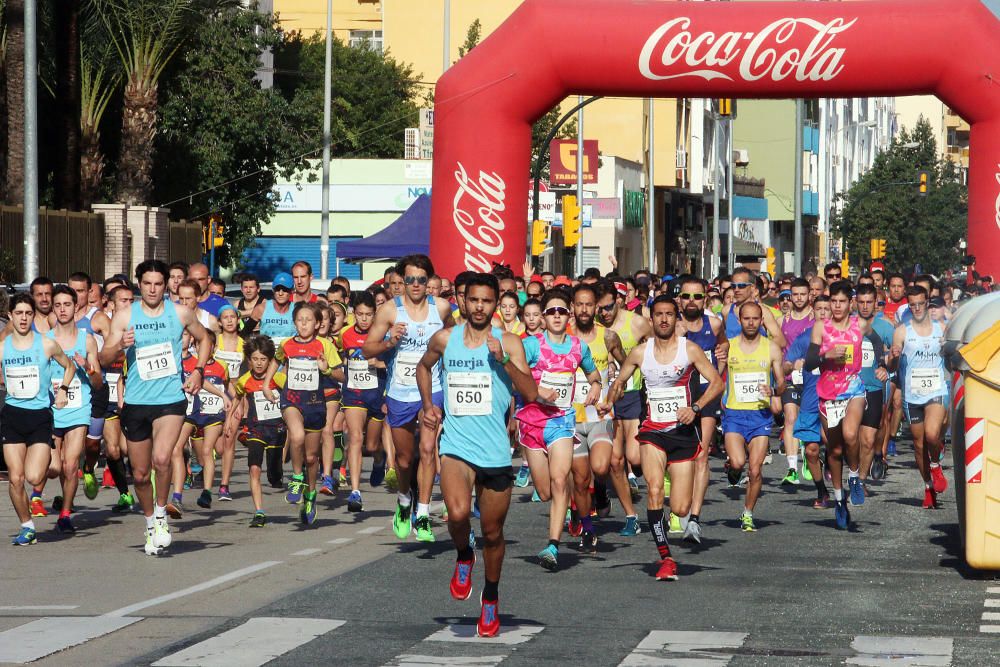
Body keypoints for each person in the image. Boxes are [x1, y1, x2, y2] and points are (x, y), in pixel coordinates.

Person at [418, 272, 539, 638]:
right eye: (474, 300)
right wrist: (428, 404)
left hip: (496, 453)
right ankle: (463, 554)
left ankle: (490, 596)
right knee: (456, 513)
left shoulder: (510, 342)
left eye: (487, 301)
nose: (480, 307)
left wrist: (503, 361)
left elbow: (531, 393)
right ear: (463, 301)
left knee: (492, 533)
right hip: (456, 446)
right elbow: (424, 367)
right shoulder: (445, 339)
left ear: (496, 304)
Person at [602, 295, 723, 580]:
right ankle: (665, 558)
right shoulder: (640, 352)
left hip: (682, 433)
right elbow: (620, 382)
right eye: (659, 314)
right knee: (654, 490)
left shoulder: (689, 350)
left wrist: (695, 408)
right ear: (651, 319)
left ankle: (668, 519)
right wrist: (610, 400)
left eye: (670, 314)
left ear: (675, 318)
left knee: (679, 507)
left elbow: (717, 383)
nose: (664, 319)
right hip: (652, 431)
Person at [100, 259, 213, 556]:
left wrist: (199, 370)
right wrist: (119, 345)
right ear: (139, 285)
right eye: (147, 283)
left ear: (167, 286)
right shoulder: (125, 316)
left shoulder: (180, 312)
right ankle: (150, 522)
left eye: (158, 283)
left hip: (170, 400)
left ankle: (161, 514)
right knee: (139, 474)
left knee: (162, 460)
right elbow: (102, 358)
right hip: (137, 402)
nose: (152, 289)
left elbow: (205, 339)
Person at [363, 254, 454, 542]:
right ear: (402, 282)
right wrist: (390, 341)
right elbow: (367, 349)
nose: (415, 285)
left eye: (421, 279)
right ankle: (404, 501)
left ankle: (423, 513)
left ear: (430, 282)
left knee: (428, 450)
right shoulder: (391, 310)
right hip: (401, 390)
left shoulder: (440, 308)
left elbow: (456, 336)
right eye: (410, 280)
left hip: (432, 389)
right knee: (404, 460)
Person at [516, 289, 602, 570]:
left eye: (561, 311)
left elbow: (593, 373)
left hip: (561, 422)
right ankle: (564, 509)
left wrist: (596, 387)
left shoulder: (579, 347)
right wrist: (537, 390)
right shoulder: (530, 345)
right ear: (543, 316)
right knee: (545, 490)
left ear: (570, 315)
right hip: (531, 423)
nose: (556, 315)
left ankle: (552, 545)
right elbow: (513, 373)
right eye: (551, 311)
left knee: (560, 477)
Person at [2, 294, 76, 545]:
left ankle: (48, 457)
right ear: (10, 316)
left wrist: (63, 390)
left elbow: (70, 367)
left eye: (28, 313)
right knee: (15, 478)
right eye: (19, 313)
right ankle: (27, 526)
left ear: (34, 316)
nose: (23, 318)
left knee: (34, 477)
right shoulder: (3, 347)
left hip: (39, 417)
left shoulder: (46, 344)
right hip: (12, 416)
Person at [262, 302, 343, 525]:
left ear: (318, 323)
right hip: (292, 401)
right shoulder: (287, 345)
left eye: (309, 320)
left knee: (310, 457)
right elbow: (275, 362)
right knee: (296, 436)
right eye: (300, 320)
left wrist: (326, 369)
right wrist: (267, 384)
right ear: (294, 322)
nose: (304, 324)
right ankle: (297, 478)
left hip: (316, 404)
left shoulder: (324, 345)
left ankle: (310, 494)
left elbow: (341, 376)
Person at [568, 282, 627, 549]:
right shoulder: (563, 337)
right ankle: (588, 528)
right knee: (579, 480)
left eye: (588, 304)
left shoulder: (608, 337)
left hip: (600, 416)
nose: (583, 309)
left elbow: (626, 370)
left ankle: (601, 489)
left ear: (596, 307)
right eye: (579, 304)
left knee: (601, 467)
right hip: (571, 418)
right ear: (572, 307)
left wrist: (614, 393)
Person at [804, 280, 866, 530]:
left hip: (854, 390)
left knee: (851, 434)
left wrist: (887, 362)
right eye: (833, 301)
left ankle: (854, 477)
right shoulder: (821, 327)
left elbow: (882, 347)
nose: (837, 306)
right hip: (828, 395)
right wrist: (824, 356)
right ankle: (840, 501)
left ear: (850, 303)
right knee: (835, 451)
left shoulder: (860, 325)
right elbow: (809, 363)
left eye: (842, 301)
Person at [41, 286, 103, 533]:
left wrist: (87, 366)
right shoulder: (46, 340)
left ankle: (65, 514)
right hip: (52, 409)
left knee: (69, 465)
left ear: (76, 306)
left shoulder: (86, 339)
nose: (63, 309)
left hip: (78, 409)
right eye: (58, 305)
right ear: (53, 309)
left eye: (67, 304)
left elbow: (98, 383)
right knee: (54, 468)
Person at [722, 301, 786, 532]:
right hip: (734, 414)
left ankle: (748, 513)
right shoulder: (728, 347)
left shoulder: (771, 348)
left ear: (762, 321)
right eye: (746, 319)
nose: (750, 323)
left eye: (755, 319)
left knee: (756, 469)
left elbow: (781, 383)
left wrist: (775, 392)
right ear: (739, 321)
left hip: (760, 415)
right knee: (739, 462)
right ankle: (732, 468)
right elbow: (716, 376)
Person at [675, 275, 728, 543]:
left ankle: (694, 518)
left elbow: (724, 344)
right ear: (679, 299)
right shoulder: (670, 326)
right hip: (677, 398)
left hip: (705, 396)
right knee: (678, 457)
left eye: (697, 296)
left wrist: (723, 356)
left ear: (705, 300)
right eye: (687, 296)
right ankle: (681, 506)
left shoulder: (714, 323)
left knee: (702, 455)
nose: (692, 301)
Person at [891, 285, 949, 509]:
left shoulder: (941, 328)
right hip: (912, 393)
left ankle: (935, 465)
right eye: (912, 304)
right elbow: (893, 356)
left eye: (920, 304)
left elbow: (952, 354)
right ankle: (928, 487)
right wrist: (894, 354)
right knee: (918, 445)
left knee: (932, 435)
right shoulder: (902, 331)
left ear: (927, 304)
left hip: (935, 389)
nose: (916, 308)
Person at [596, 280, 652, 506]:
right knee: (613, 460)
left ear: (618, 301)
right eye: (599, 309)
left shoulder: (637, 323)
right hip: (602, 397)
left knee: (634, 456)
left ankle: (637, 471)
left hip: (631, 393)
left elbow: (656, 347)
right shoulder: (593, 325)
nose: (604, 313)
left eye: (608, 307)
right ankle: (620, 504)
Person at [339, 291, 388, 512]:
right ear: (354, 314)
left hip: (376, 394)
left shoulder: (382, 337)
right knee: (356, 437)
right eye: (360, 314)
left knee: (372, 444)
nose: (364, 319)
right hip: (354, 393)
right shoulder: (345, 335)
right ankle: (355, 492)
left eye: (369, 314)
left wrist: (379, 364)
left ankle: (379, 459)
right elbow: (343, 361)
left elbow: (391, 365)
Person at [233, 336, 286, 526]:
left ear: (271, 361)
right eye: (255, 359)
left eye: (263, 359)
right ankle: (259, 512)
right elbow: (237, 398)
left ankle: (277, 475)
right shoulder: (244, 380)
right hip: (256, 430)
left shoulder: (279, 379)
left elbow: (293, 398)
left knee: (274, 475)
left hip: (278, 430)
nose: (259, 363)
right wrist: (230, 421)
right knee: (254, 469)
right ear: (249, 360)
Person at [855, 284, 894, 483]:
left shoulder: (884, 326)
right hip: (848, 389)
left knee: (869, 438)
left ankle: (860, 481)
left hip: (873, 387)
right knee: (852, 439)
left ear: (876, 304)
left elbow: (897, 352)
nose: (865, 306)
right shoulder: (847, 324)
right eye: (861, 302)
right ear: (855, 302)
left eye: (869, 302)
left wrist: (886, 367)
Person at [778, 278, 814, 486]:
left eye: (803, 294)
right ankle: (792, 468)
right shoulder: (783, 320)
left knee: (809, 419)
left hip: (812, 377)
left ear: (809, 295)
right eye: (795, 294)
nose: (799, 298)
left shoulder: (816, 318)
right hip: (790, 377)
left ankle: (810, 456)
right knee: (790, 418)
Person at [247, 272, 297, 348]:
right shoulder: (261, 308)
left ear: (292, 291)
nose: (280, 293)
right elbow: (244, 333)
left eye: (285, 289)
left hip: (289, 354)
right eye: (277, 289)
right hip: (266, 355)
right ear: (273, 290)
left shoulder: (297, 310)